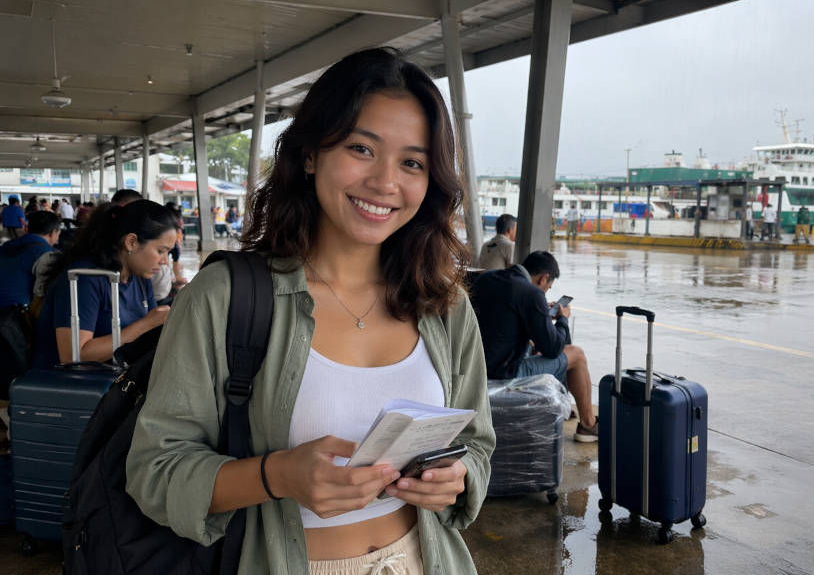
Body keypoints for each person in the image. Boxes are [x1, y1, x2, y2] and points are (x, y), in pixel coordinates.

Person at [125, 48, 495, 575]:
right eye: (361, 148)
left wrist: (455, 479)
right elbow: (154, 470)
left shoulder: (444, 304)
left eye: (412, 162)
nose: (387, 182)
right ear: (309, 154)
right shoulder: (226, 296)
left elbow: (476, 444)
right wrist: (276, 476)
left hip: (426, 561)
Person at [470, 250, 598, 443]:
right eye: (548, 287)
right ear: (543, 278)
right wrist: (562, 320)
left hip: (475, 367)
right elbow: (552, 348)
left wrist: (541, 313)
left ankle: (565, 407)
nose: (545, 291)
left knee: (534, 343)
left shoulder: (486, 278)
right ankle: (588, 425)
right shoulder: (532, 293)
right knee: (577, 355)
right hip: (503, 373)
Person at [32, 200, 175, 367]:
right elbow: (73, 357)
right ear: (131, 242)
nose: (165, 261)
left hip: (114, 379)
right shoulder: (82, 279)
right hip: (68, 385)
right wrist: (146, 324)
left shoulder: (140, 278)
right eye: (160, 251)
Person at [0, 211, 61, 307]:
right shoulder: (48, 254)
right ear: (53, 232)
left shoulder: (6, 246)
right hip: (15, 315)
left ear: (26, 229)